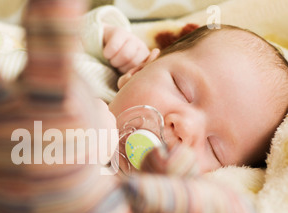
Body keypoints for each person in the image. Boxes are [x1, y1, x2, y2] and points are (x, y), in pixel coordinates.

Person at [96, 17, 288, 174]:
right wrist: (104, 34)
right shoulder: (94, 75)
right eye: (182, 90)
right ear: (138, 69)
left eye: (213, 148)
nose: (185, 127)